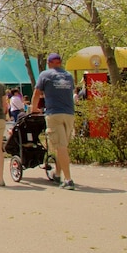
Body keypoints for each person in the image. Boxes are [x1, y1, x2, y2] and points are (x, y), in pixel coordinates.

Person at [31, 53, 77, 190]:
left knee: (60, 146)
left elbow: (36, 94)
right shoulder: (68, 76)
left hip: (54, 114)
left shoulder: (45, 75)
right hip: (69, 114)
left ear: (49, 63)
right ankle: (57, 173)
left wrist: (33, 109)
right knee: (62, 146)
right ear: (60, 63)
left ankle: (68, 179)